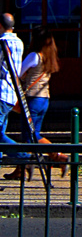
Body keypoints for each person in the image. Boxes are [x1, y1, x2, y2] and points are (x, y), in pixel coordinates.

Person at [5, 29, 67, 180]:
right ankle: (22, 168)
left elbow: (17, 73)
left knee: (30, 135)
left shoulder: (34, 56)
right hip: (44, 99)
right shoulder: (49, 57)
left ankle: (58, 156)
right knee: (33, 134)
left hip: (32, 99)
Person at [0, 13, 30, 171]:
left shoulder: (2, 42)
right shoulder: (19, 42)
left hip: (1, 91)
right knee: (1, 131)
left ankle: (24, 157)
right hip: (11, 93)